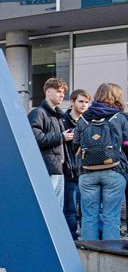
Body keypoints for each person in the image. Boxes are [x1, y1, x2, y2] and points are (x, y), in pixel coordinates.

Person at [74, 83, 128, 241]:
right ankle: (110, 253)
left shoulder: (84, 118)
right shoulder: (120, 118)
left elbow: (75, 145)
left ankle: (88, 251)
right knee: (111, 215)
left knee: (89, 216)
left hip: (87, 172)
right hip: (115, 171)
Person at [27, 78, 71, 208]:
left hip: (58, 168)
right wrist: (61, 136)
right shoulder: (38, 113)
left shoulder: (57, 116)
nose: (62, 95)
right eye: (58, 91)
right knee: (48, 207)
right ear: (48, 92)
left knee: (56, 208)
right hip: (46, 168)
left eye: (63, 92)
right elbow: (35, 138)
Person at [62, 89, 91, 239]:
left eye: (86, 102)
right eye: (81, 101)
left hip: (86, 172)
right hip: (69, 172)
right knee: (70, 209)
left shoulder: (88, 122)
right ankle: (71, 239)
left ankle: (87, 239)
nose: (84, 105)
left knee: (87, 210)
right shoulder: (62, 120)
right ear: (72, 102)